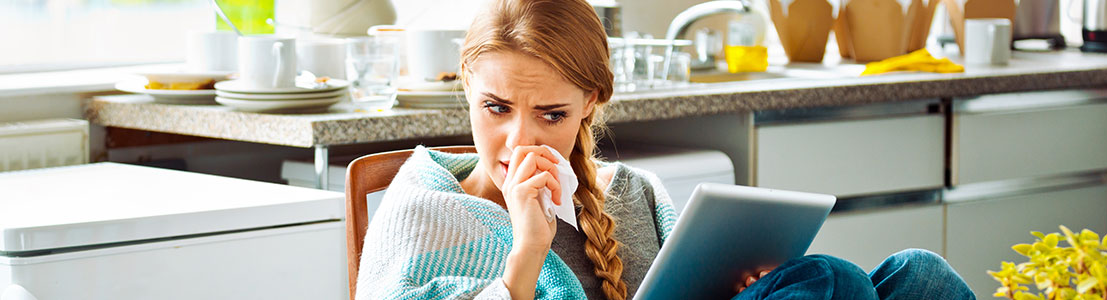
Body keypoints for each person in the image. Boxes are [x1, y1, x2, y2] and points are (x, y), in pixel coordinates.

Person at [354, 0, 977, 299]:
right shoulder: (423, 213)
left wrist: (743, 285)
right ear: (466, 88)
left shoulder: (630, 193)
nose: (521, 140)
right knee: (832, 281)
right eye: (496, 108)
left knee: (921, 274)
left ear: (591, 102)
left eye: (552, 115)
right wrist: (525, 254)